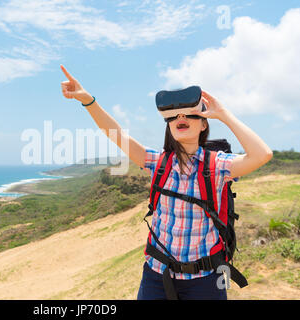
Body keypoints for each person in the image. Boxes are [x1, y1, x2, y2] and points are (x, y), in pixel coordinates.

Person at [59, 64, 273, 300]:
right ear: (169, 126)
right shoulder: (157, 162)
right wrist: (87, 99)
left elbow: (262, 154)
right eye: (174, 116)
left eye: (190, 114)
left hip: (205, 280)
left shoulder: (218, 165)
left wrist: (223, 114)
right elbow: (116, 134)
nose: (181, 117)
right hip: (157, 275)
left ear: (203, 124)